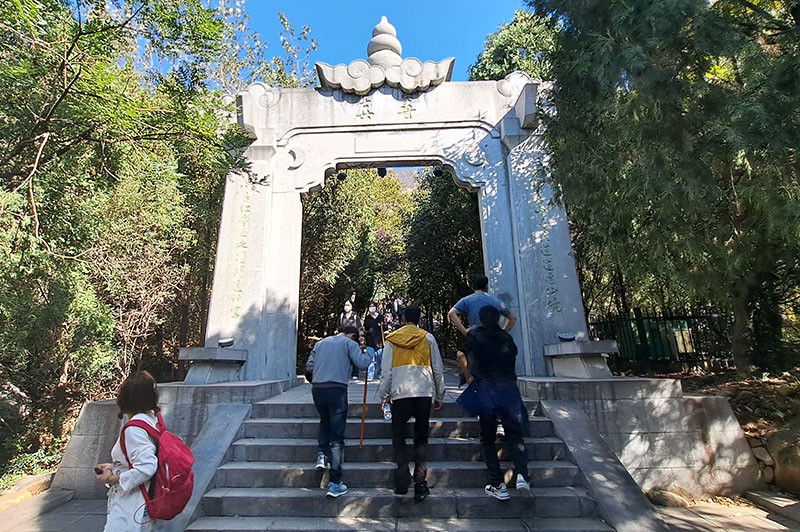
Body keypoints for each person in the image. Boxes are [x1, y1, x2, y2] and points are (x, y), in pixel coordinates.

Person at [377, 307, 445, 502]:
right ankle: (420, 483)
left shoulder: (392, 340)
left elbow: (387, 372)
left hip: (400, 393)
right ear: (420, 319)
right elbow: (438, 369)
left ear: (403, 318)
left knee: (398, 437)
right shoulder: (428, 338)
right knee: (421, 438)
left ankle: (401, 482)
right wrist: (440, 395)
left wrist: (383, 394)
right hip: (423, 393)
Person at [467, 305, 531, 501]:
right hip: (509, 389)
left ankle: (497, 484)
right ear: (497, 319)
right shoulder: (507, 338)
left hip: (487, 390)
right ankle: (522, 476)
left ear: (481, 319)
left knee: (487, 438)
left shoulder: (476, 337)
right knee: (515, 434)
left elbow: (469, 361)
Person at [305, 325, 372, 498]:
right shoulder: (349, 343)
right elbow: (362, 363)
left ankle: (321, 454)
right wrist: (368, 351)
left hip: (318, 389)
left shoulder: (320, 343)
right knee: (337, 436)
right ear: (352, 335)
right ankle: (335, 483)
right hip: (337, 389)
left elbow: (309, 366)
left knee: (324, 420)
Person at [95, 371, 159, 531]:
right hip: (141, 503)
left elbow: (147, 466)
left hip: (133, 504)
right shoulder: (151, 420)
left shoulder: (134, 430)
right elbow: (136, 458)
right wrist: (115, 466)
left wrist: (112, 478)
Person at [448, 274, 517, 336]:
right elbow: (512, 318)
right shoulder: (496, 301)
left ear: (473, 286)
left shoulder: (466, 301)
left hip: (476, 338)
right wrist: (503, 332)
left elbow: (451, 313)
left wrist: (464, 331)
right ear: (486, 286)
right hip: (494, 339)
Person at [337, 300, 363, 379]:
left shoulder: (355, 316)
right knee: (343, 356)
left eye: (348, 305)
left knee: (354, 355)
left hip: (353, 338)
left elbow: (359, 327)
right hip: (343, 339)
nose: (346, 307)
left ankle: (355, 373)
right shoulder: (342, 316)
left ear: (351, 306)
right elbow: (338, 326)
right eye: (345, 305)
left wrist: (361, 336)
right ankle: (343, 372)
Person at [363, 302, 385, 380]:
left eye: (373, 306)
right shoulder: (367, 318)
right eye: (370, 306)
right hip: (370, 341)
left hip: (379, 341)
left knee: (379, 360)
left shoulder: (380, 317)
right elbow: (365, 329)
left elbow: (385, 328)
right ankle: (370, 376)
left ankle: (379, 373)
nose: (371, 308)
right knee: (371, 360)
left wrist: (382, 325)